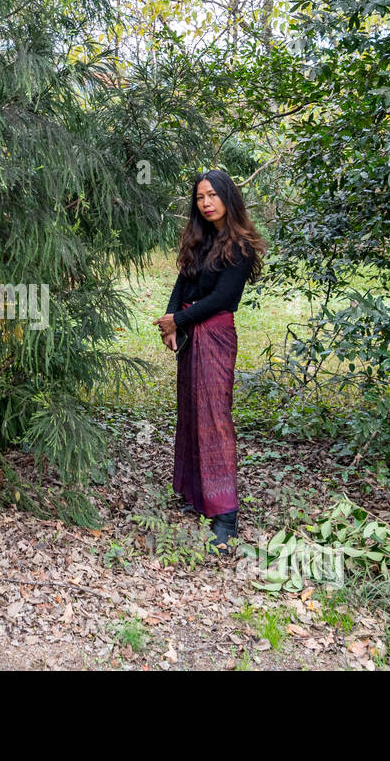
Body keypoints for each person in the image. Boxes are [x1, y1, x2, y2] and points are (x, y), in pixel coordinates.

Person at [152, 169, 265, 554]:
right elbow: (182, 283)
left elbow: (222, 299)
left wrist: (178, 320)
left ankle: (226, 514)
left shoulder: (241, 245)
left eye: (213, 195)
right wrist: (171, 324)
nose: (206, 202)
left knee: (215, 418)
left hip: (214, 334)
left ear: (228, 198)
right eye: (200, 197)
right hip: (189, 333)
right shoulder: (199, 239)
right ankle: (195, 494)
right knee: (192, 412)